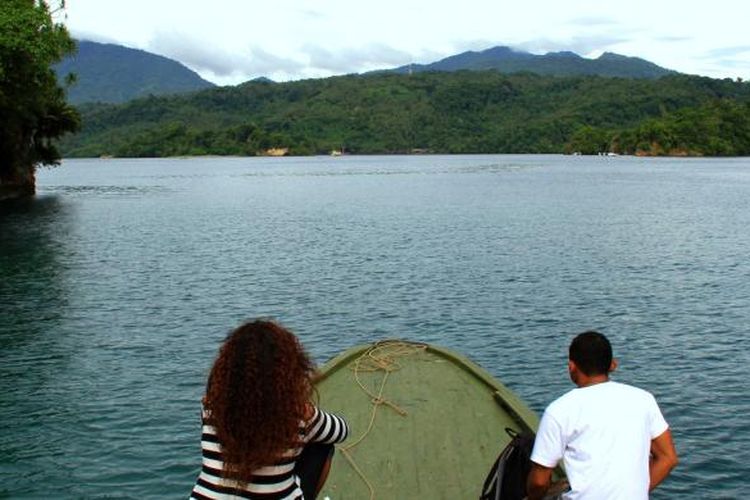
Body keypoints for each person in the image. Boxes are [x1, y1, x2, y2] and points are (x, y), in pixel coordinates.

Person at [190, 319, 349, 499]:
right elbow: (342, 431)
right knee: (322, 446)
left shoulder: (209, 407)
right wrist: (309, 412)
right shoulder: (298, 416)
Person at [527, 330, 678, 500]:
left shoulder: (559, 410)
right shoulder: (643, 399)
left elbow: (539, 482)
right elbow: (668, 458)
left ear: (571, 366)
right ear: (612, 364)